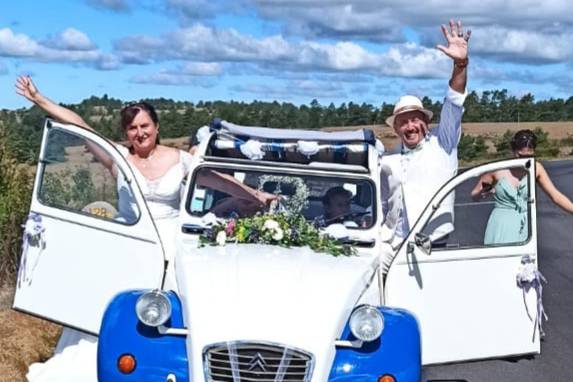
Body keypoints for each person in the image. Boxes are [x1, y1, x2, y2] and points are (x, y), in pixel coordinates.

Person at [14, 75, 275, 382]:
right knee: (115, 313)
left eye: (144, 126)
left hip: (169, 246)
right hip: (127, 243)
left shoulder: (181, 160)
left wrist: (256, 196)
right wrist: (39, 99)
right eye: (132, 128)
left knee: (169, 314)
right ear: (126, 133)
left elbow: (218, 180)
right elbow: (81, 127)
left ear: (156, 127)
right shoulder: (119, 159)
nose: (139, 133)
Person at [380, 20, 470, 272]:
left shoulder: (444, 144)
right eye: (403, 122)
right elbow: (383, 204)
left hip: (433, 243)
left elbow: (454, 102)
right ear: (396, 129)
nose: (409, 127)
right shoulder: (388, 160)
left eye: (414, 120)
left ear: (425, 122)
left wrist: (460, 64)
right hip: (392, 244)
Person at [471, 129, 573, 245]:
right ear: (513, 151)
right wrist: (483, 193)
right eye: (521, 156)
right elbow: (474, 195)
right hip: (501, 226)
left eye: (530, 157)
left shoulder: (536, 168)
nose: (525, 161)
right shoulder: (498, 170)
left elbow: (556, 196)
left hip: (525, 228)